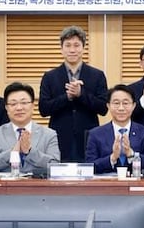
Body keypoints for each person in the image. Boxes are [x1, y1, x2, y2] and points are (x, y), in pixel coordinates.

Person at [39, 25, 108, 163]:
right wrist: (67, 97)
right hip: (60, 138)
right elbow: (44, 109)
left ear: (83, 48)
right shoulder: (50, 76)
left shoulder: (97, 75)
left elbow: (103, 108)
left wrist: (81, 94)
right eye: (68, 45)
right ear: (61, 49)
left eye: (76, 45)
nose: (72, 50)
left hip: (88, 138)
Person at [0, 82, 60, 174]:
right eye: (13, 104)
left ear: (33, 106)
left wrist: (30, 151)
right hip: (5, 183)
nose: (19, 108)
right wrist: (12, 153)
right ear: (6, 108)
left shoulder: (49, 134)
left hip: (38, 183)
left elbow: (55, 166)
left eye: (24, 103)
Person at [86, 84, 144, 173]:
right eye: (116, 103)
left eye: (125, 103)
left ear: (133, 106)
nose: (121, 108)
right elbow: (89, 166)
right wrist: (112, 157)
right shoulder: (95, 134)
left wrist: (131, 154)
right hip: (107, 181)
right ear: (108, 106)